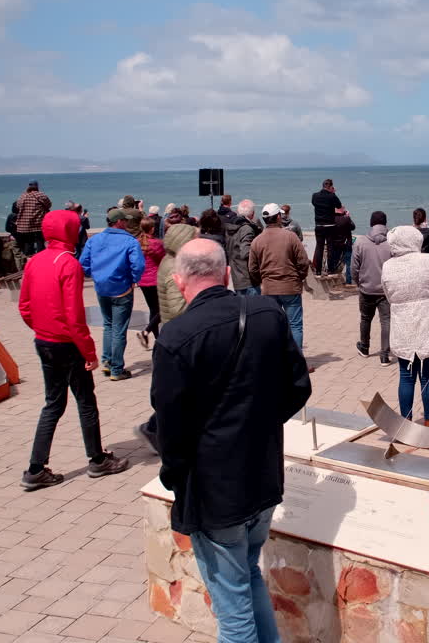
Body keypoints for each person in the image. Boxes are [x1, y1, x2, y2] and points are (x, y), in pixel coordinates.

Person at [150, 238, 311, 642]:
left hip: (216, 492)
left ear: (179, 281)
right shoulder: (266, 313)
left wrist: (173, 478)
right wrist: (258, 425)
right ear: (225, 274)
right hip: (263, 475)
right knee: (248, 577)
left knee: (232, 611)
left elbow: (172, 428)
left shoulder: (176, 337)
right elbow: (298, 387)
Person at [18, 210, 130, 491]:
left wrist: (42, 328)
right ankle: (97, 459)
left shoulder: (35, 261)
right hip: (67, 343)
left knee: (53, 403)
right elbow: (74, 315)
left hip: (43, 340)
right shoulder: (68, 264)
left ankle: (35, 468)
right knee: (85, 401)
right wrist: (89, 352)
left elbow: (25, 307)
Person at [382, 226, 429, 422]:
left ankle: (406, 421)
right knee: (428, 376)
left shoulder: (388, 266)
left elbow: (388, 295)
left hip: (402, 323)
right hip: (428, 321)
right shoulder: (427, 260)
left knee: (406, 377)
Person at [80, 209, 146, 381]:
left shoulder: (95, 240)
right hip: (121, 288)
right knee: (119, 329)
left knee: (108, 325)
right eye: (124, 220)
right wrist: (133, 279)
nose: (126, 223)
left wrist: (96, 275)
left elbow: (83, 263)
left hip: (102, 288)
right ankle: (117, 368)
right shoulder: (129, 241)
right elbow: (138, 265)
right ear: (118, 222)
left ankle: (107, 361)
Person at [250, 203, 310, 350]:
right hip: (290, 287)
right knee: (295, 325)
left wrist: (262, 281)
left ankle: (276, 361)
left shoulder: (257, 241)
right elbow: (303, 262)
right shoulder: (290, 237)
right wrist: (299, 277)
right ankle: (296, 362)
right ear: (278, 217)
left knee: (273, 326)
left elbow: (252, 268)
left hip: (269, 288)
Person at [350, 211, 393, 366]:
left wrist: (358, 282)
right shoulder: (391, 243)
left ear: (371, 224)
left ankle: (365, 347)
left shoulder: (361, 242)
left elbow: (354, 268)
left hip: (366, 288)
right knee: (386, 321)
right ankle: (385, 354)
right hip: (385, 290)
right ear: (385, 224)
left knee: (365, 318)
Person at [158, 218, 198, 325]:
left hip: (173, 327)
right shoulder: (176, 268)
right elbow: (177, 309)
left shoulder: (169, 258)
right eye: (194, 240)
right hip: (180, 330)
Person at [136, 217, 165, 348]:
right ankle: (147, 331)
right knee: (161, 310)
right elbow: (162, 259)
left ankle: (156, 338)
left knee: (153, 309)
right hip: (155, 279)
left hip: (143, 281)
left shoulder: (137, 243)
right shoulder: (156, 243)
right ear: (152, 228)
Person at [228, 199, 262, 296]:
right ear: (252, 214)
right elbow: (245, 252)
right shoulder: (247, 229)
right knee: (254, 309)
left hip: (237, 278)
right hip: (248, 280)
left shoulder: (231, 227)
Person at [311, 179, 342, 274]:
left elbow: (314, 203)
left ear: (323, 185)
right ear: (330, 187)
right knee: (330, 248)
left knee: (319, 248)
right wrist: (333, 193)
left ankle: (318, 271)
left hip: (319, 225)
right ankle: (331, 270)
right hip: (330, 225)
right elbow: (339, 205)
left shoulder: (315, 196)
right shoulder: (332, 196)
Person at [14, 180, 52, 256]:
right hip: (39, 225)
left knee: (28, 243)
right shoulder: (41, 195)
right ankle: (40, 260)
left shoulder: (22, 196)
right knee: (40, 243)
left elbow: (17, 206)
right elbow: (49, 205)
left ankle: (29, 260)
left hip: (25, 226)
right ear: (37, 186)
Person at [333, 208, 357, 284]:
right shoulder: (346, 219)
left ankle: (334, 280)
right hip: (347, 244)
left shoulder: (332, 219)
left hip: (336, 244)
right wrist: (348, 217)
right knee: (348, 263)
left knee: (334, 262)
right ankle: (348, 281)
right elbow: (353, 227)